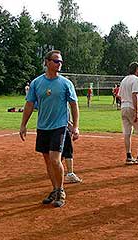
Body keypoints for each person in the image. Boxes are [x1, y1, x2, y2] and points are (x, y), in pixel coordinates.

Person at [19, 50, 80, 208]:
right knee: (47, 161)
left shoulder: (66, 83)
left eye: (60, 62)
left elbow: (74, 105)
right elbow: (29, 104)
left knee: (55, 159)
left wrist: (76, 127)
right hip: (43, 127)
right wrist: (23, 124)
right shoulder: (36, 83)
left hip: (59, 127)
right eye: (56, 61)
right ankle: (54, 189)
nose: (59, 64)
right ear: (47, 62)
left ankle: (61, 191)